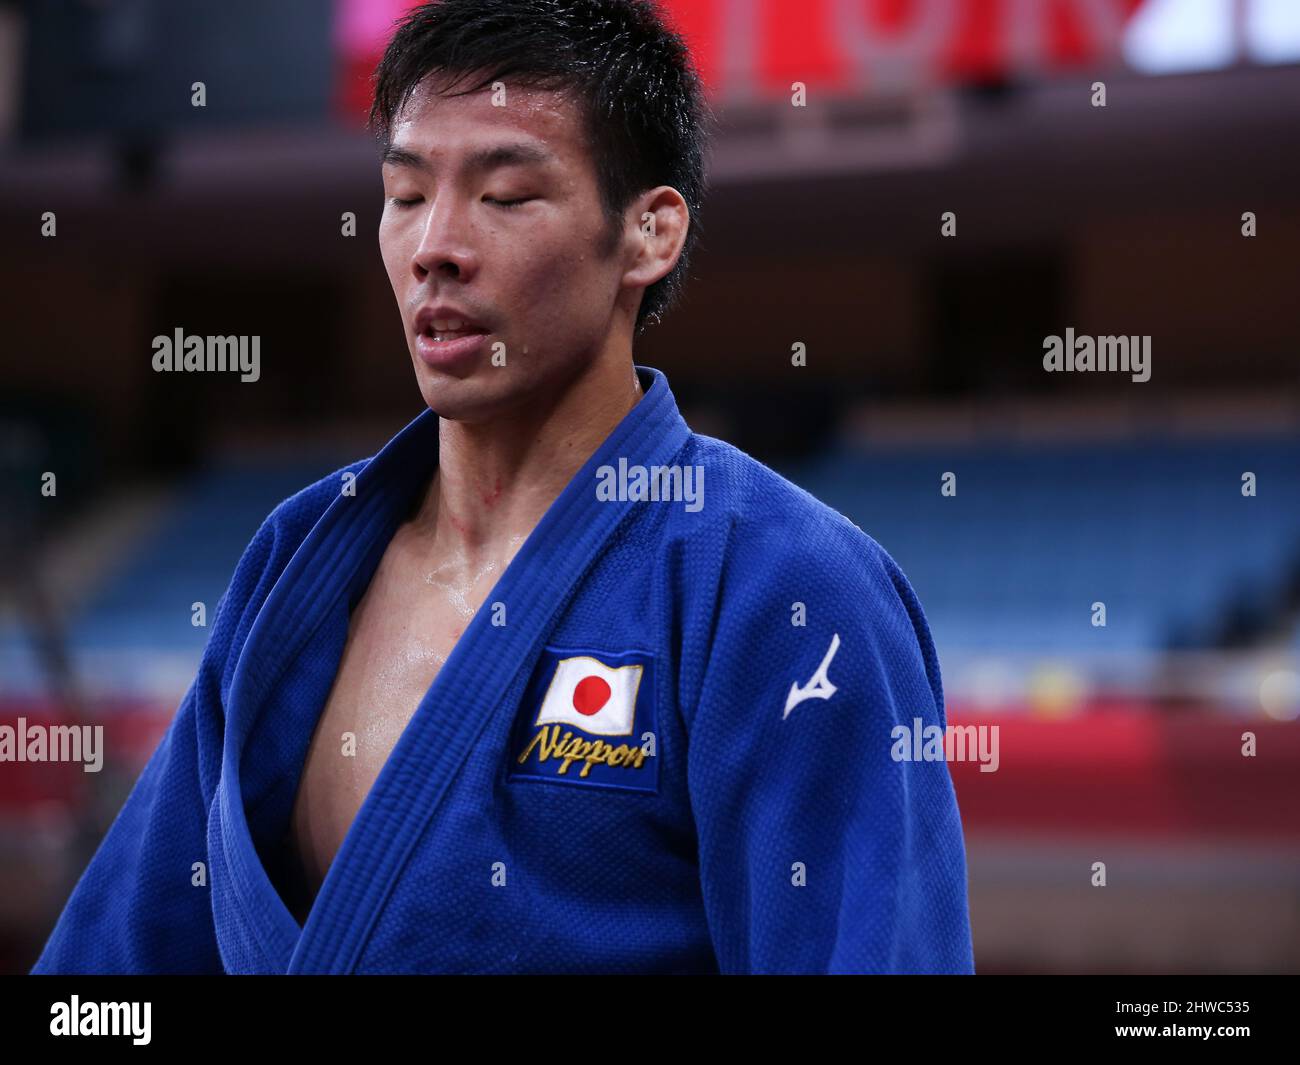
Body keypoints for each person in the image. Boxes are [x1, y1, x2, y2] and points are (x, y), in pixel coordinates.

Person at [31, 0, 974, 974]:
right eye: (404, 195)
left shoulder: (789, 587)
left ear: (648, 235)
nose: (435, 243)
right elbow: (117, 966)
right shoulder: (298, 554)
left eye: (507, 195)